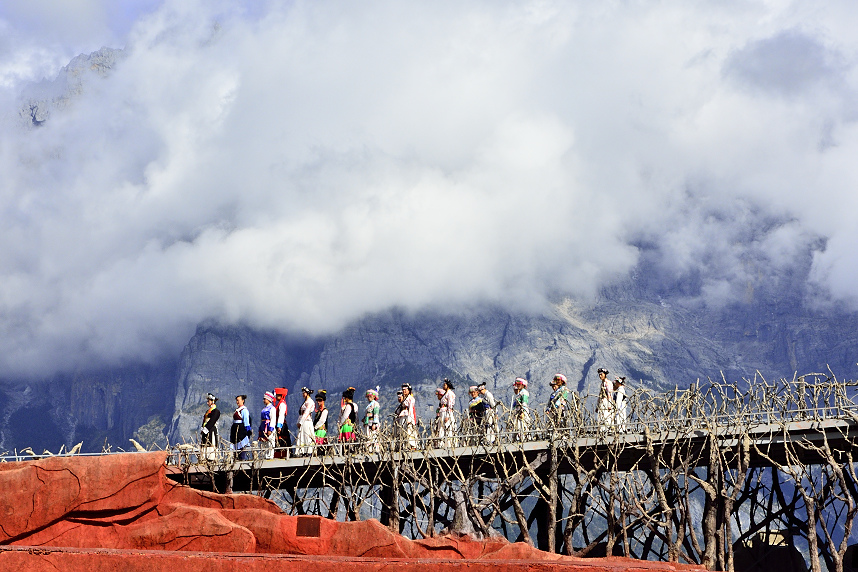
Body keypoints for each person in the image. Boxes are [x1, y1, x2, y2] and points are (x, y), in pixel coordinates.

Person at [230, 394, 252, 460]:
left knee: (241, 443)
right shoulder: (237, 409)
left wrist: (247, 430)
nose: (237, 402)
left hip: (241, 429)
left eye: (238, 400)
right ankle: (236, 457)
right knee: (235, 443)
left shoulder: (244, 410)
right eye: (236, 400)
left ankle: (241, 457)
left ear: (242, 401)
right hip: (235, 428)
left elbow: (246, 421)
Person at [200, 393, 220, 460]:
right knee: (205, 443)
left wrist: (206, 429)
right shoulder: (208, 411)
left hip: (211, 430)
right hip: (206, 429)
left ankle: (211, 458)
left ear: (212, 401)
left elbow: (212, 421)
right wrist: (203, 428)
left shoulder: (216, 411)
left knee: (211, 442)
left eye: (208, 401)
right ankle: (204, 457)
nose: (207, 403)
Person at [398, 383, 418, 450]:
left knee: (409, 430)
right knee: (403, 430)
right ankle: (404, 445)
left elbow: (411, 410)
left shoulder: (411, 399)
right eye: (403, 390)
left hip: (408, 416)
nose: (404, 391)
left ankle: (412, 445)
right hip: (403, 416)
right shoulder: (404, 399)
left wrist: (410, 419)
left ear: (409, 390)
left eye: (405, 390)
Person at [296, 387, 315, 456]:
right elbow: (301, 413)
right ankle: (303, 451)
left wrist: (300, 422)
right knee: (302, 436)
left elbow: (306, 412)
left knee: (307, 436)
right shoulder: (305, 402)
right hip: (303, 421)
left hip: (306, 421)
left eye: (304, 393)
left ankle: (309, 451)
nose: (303, 394)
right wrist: (299, 422)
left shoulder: (310, 402)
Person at [438, 378, 456, 448]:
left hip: (446, 412)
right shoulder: (446, 393)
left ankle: (448, 444)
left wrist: (448, 415)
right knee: (441, 427)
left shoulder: (450, 393)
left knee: (447, 427)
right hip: (442, 411)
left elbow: (450, 404)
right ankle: (441, 443)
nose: (443, 386)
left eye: (444, 385)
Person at [338, 387, 358, 451]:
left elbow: (344, 416)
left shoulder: (348, 406)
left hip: (346, 426)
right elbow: (356, 417)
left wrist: (340, 424)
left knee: (346, 440)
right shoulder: (355, 405)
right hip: (352, 425)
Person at [274, 388, 291, 459]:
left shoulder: (282, 404)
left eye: (278, 395)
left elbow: (281, 415)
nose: (276, 396)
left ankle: (283, 454)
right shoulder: (280, 403)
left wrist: (279, 426)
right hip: (280, 423)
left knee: (282, 440)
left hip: (281, 425)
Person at [363, 387, 381, 453]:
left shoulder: (375, 404)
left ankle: (375, 450)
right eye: (368, 396)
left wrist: (374, 424)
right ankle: (369, 449)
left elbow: (376, 414)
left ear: (374, 396)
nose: (369, 398)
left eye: (370, 396)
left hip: (372, 423)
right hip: (368, 423)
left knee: (373, 436)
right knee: (368, 437)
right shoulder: (369, 405)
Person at [259, 391, 276, 459]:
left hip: (268, 425)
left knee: (270, 440)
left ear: (268, 399)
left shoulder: (272, 408)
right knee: (264, 441)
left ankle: (270, 455)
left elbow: (273, 419)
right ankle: (265, 454)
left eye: (264, 399)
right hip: (263, 426)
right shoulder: (264, 409)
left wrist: (270, 429)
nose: (263, 400)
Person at [597, 368, 615, 433]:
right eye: (599, 375)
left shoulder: (608, 383)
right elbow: (600, 394)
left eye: (601, 374)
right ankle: (602, 429)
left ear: (605, 375)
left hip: (606, 401)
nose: (600, 376)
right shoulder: (602, 383)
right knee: (601, 416)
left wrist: (609, 405)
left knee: (607, 416)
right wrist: (597, 405)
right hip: (602, 401)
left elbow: (609, 394)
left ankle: (608, 429)